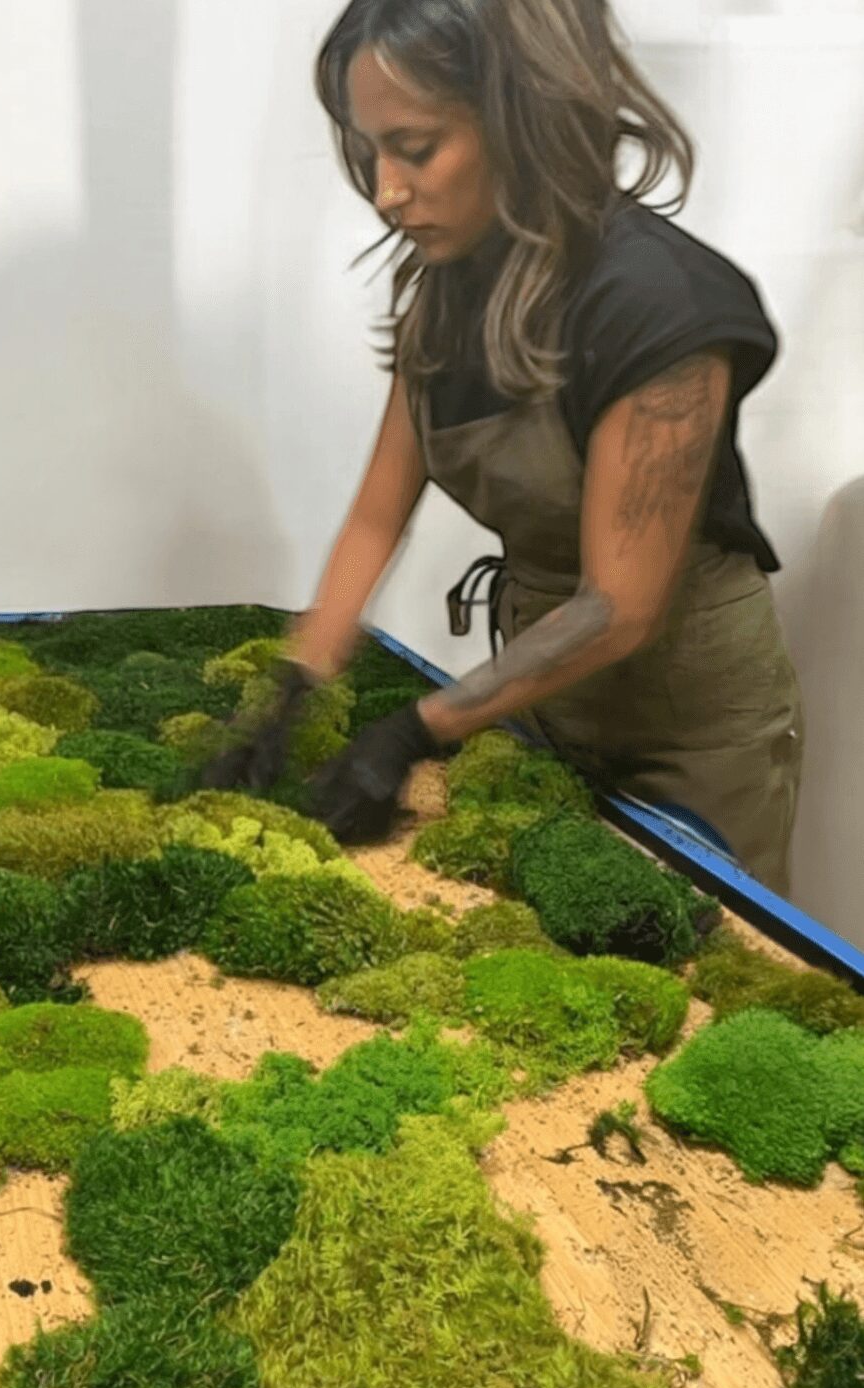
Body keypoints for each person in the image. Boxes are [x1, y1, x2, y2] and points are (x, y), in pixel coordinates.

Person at [202, 0, 805, 895]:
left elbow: (617, 608)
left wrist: (414, 731)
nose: (386, 191)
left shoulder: (658, 306)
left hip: (688, 723)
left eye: (415, 148)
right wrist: (294, 689)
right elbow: (375, 517)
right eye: (370, 153)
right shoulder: (446, 293)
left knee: (693, 940)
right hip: (545, 697)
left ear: (522, 116)